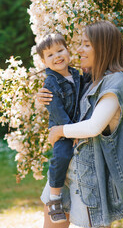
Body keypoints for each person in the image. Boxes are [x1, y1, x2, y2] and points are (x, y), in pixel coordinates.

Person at [37, 21, 123, 228]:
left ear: (102, 47)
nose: (79, 49)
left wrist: (59, 130)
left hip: (90, 179)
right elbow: (68, 105)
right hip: (65, 170)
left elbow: (94, 126)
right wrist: (45, 97)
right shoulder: (91, 79)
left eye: (86, 44)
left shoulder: (118, 81)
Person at [36, 33, 90, 223]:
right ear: (43, 61)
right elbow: (57, 110)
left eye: (60, 50)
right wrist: (69, 131)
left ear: (68, 50)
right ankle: (55, 198)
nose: (57, 56)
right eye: (50, 55)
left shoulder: (76, 74)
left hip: (75, 125)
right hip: (61, 128)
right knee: (62, 156)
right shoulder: (51, 82)